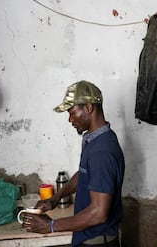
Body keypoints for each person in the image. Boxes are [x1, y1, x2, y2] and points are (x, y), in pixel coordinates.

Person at [21, 80, 125, 247]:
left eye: (72, 112)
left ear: (89, 107)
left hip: (97, 242)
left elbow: (99, 213)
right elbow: (83, 174)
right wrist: (55, 199)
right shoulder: (94, 139)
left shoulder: (102, 152)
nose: (70, 119)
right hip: (88, 238)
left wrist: (51, 226)